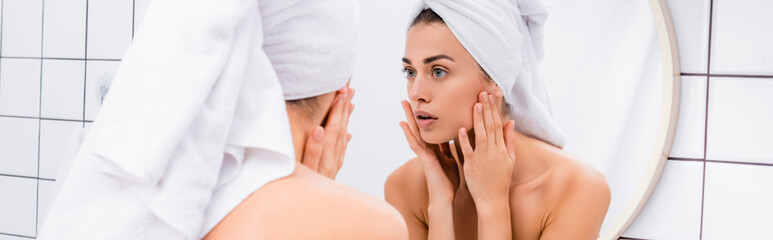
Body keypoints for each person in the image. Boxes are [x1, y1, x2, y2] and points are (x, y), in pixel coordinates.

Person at [385, 2, 611, 239]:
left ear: (495, 79)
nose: (416, 93)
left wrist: (492, 206)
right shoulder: (405, 186)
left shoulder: (576, 188)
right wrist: (440, 202)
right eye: (410, 72)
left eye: (438, 71)